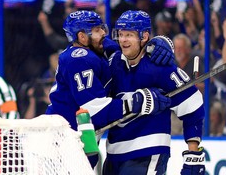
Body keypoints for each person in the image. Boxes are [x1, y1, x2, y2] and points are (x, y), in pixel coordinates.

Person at [45, 10, 175, 169]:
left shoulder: (95, 48)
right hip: (62, 143)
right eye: (97, 30)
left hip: (80, 141)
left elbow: (125, 46)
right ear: (82, 37)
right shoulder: (77, 59)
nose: (103, 34)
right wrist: (137, 102)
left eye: (102, 28)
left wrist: (158, 42)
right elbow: (94, 110)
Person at [104, 10, 205, 175]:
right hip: (114, 154)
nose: (123, 40)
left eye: (129, 34)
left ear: (144, 36)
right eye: (120, 34)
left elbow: (193, 105)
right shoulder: (114, 62)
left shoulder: (160, 66)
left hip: (147, 152)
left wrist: (194, 153)